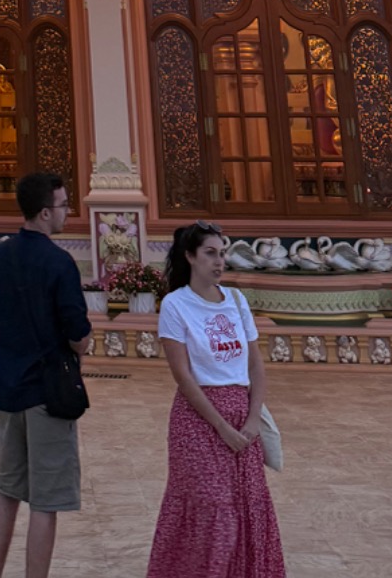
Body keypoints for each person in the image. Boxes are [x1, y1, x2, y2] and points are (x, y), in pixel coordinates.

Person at [146, 221, 286, 578]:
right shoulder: (176, 306)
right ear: (190, 257)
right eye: (210, 253)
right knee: (212, 512)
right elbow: (183, 376)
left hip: (243, 419)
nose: (219, 261)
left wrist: (253, 420)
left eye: (222, 253)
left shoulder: (237, 301)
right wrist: (222, 427)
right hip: (198, 422)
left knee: (246, 507)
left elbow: (255, 364)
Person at [0, 171, 91, 578]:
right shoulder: (58, 262)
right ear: (45, 212)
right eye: (64, 205)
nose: (67, 212)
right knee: (45, 501)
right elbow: (77, 332)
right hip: (49, 394)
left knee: (7, 490)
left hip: (8, 389)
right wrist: (83, 344)